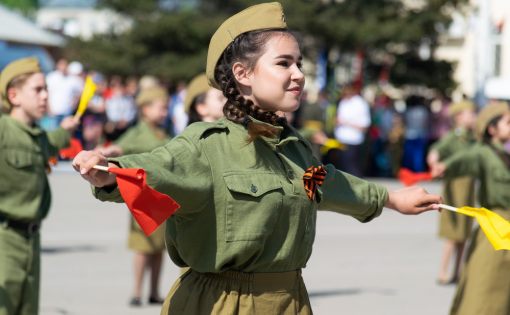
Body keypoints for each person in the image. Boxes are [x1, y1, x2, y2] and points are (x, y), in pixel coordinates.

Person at [72, 3, 442, 314]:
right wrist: (108, 171)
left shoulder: (295, 149)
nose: (298, 75)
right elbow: (157, 167)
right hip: (222, 304)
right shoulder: (208, 146)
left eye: (299, 63)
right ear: (243, 73)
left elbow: (324, 185)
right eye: (284, 64)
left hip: (291, 301)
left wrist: (393, 199)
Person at [0, 57, 79, 315]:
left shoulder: (37, 136)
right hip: (4, 239)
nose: (45, 96)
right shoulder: (3, 130)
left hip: (31, 239)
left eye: (46, 89)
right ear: (14, 95)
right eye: (38, 89)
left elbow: (52, 143)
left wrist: (66, 130)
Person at [432, 102, 510, 315]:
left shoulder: (504, 154)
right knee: (488, 290)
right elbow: (466, 159)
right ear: (492, 129)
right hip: (496, 230)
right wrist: (445, 166)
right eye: (508, 123)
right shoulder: (484, 152)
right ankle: (445, 271)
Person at [99, 87, 171, 306]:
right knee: (142, 248)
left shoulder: (164, 133)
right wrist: (106, 152)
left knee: (159, 249)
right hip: (142, 199)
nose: (165, 112)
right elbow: (119, 147)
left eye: (166, 108)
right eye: (161, 107)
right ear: (145, 109)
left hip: (160, 198)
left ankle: (154, 291)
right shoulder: (138, 132)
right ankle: (137, 291)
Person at [427, 100, 477, 285]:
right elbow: (437, 149)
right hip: (454, 187)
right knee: (452, 233)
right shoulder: (453, 137)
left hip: (468, 187)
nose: (473, 117)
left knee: (463, 233)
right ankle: (443, 271)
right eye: (470, 114)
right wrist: (433, 160)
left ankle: (457, 272)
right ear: (458, 117)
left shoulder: (472, 138)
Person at [333, 84, 371, 176]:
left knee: (351, 168)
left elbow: (364, 125)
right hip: (340, 139)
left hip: (352, 140)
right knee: (341, 168)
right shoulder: (343, 102)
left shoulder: (360, 103)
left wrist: (346, 122)